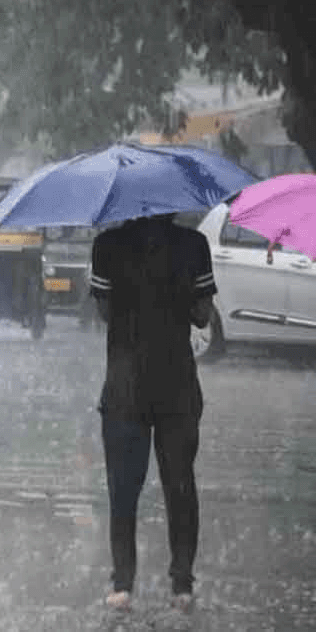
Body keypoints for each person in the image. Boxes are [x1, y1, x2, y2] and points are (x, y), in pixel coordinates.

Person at [89, 213, 216, 618]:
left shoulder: (107, 246)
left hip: (125, 388)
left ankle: (122, 585)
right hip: (177, 385)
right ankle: (182, 586)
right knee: (180, 488)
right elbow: (202, 314)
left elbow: (105, 312)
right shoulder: (193, 245)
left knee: (123, 491)